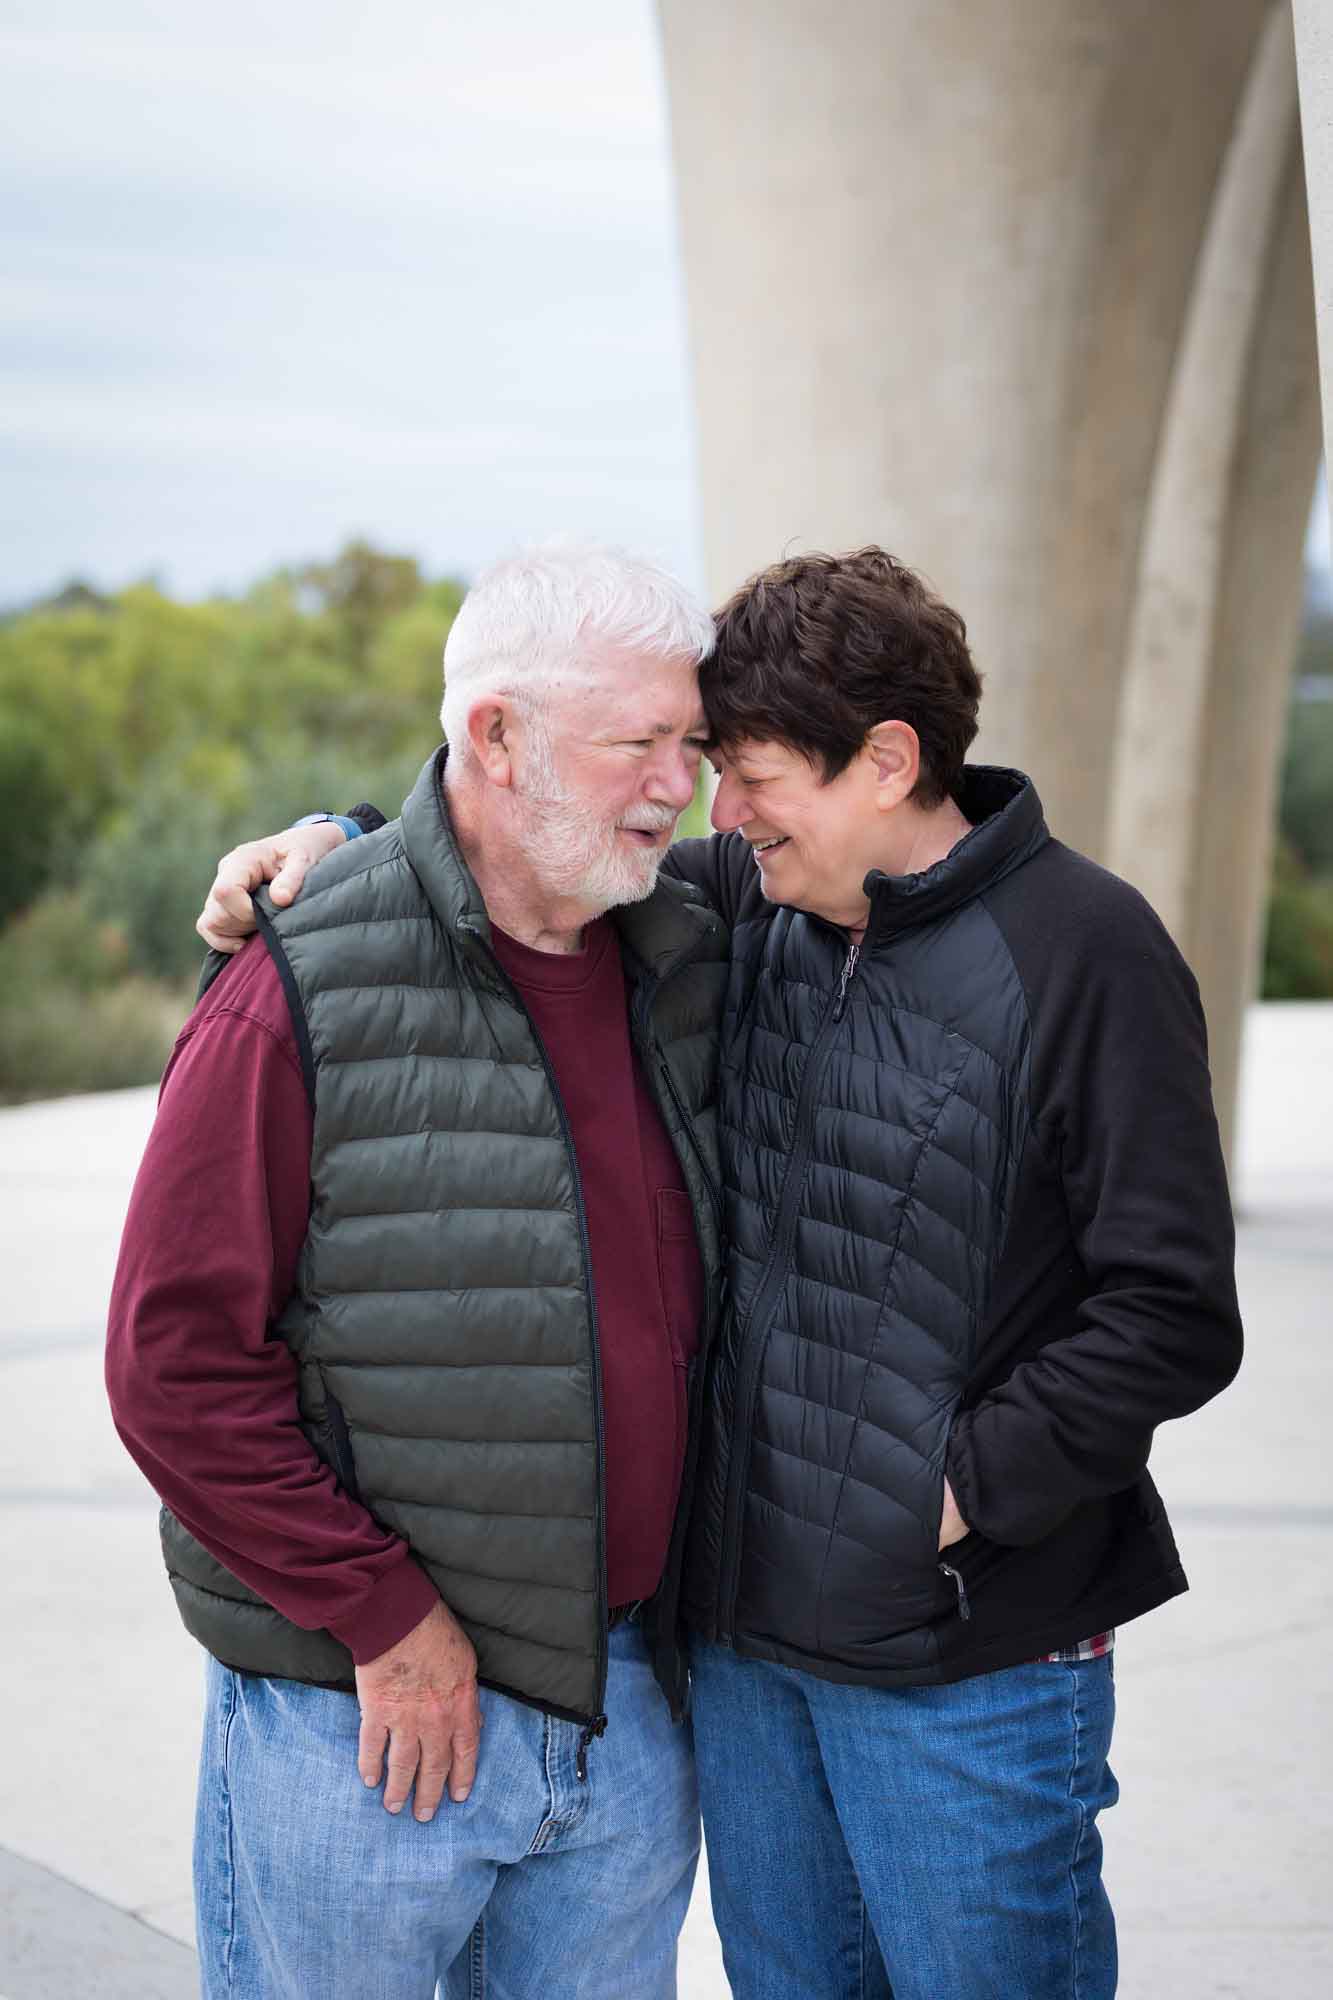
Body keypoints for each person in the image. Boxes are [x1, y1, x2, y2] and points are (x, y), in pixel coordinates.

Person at [199, 546, 1243, 2000]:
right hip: (744, 1658)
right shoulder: (734, 911)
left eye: (747, 772)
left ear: (886, 761)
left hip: (965, 1661)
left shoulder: (1085, 950)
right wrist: (338, 836)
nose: (714, 808)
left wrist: (945, 1495)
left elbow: (1171, 1310)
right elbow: (516, 843)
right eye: (699, 762)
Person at [106, 542, 729, 2000]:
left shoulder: (688, 944)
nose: (677, 788)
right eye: (640, 744)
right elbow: (175, 1367)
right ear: (497, 736)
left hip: (629, 1705)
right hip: (368, 1721)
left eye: (689, 747)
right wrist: (387, 1622)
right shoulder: (297, 987)